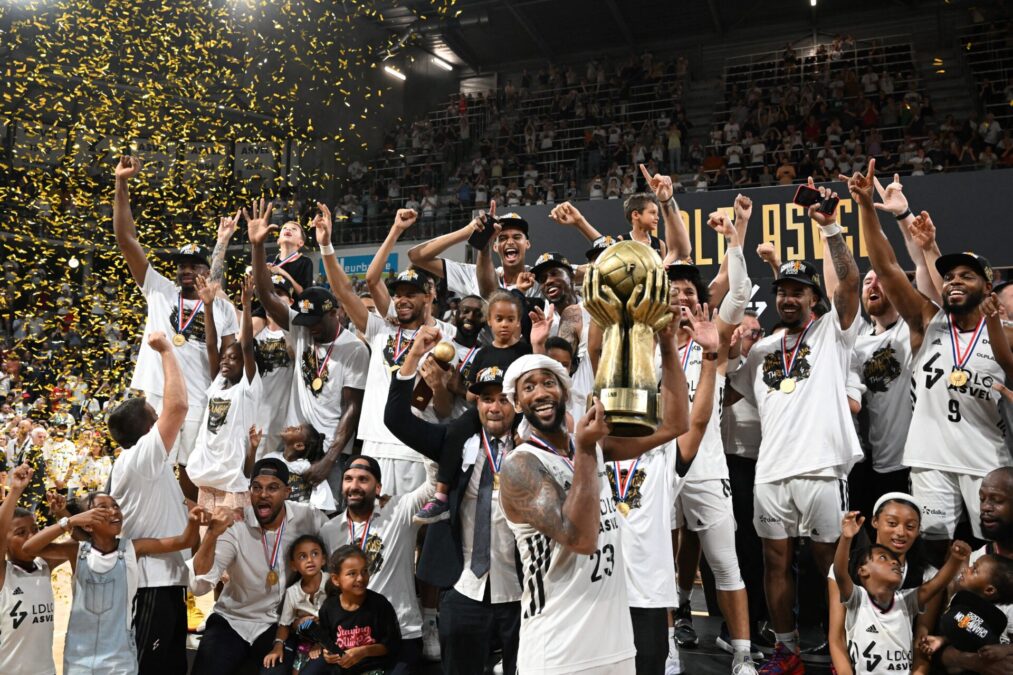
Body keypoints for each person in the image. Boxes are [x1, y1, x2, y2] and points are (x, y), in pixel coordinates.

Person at [498, 274, 691, 675]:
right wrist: (586, 449)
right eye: (528, 387)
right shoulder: (520, 466)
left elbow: (675, 423)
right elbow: (581, 538)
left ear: (565, 391)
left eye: (548, 382)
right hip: (557, 649)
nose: (540, 392)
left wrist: (669, 343)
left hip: (615, 643)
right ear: (518, 403)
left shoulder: (592, 446)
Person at [725, 168, 864, 672]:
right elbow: (726, 390)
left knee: (830, 565)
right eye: (781, 290)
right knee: (775, 564)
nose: (787, 297)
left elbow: (848, 282)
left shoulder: (833, 332)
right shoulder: (761, 349)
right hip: (770, 471)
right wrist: (724, 350)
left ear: (813, 299)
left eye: (798, 290)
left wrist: (830, 228)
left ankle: (840, 643)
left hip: (823, 467)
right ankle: (786, 648)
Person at [857, 161, 1013, 562]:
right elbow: (888, 270)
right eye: (950, 276)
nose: (955, 281)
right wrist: (866, 208)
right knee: (931, 550)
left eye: (967, 276)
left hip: (988, 459)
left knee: (992, 555)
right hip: (929, 459)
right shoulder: (928, 321)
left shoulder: (1006, 332)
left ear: (987, 285)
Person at [384, 354, 521, 674]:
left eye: (504, 399)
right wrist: (414, 354)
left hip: (521, 592)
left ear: (517, 403)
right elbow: (396, 419)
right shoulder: (455, 443)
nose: (495, 407)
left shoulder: (536, 446)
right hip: (465, 587)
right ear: (477, 404)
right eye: (487, 399)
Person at [113, 156, 238, 498]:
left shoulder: (223, 309)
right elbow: (126, 240)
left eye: (193, 265)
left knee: (192, 473)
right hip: (156, 394)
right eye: (181, 265)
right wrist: (121, 183)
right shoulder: (158, 289)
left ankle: (189, 533)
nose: (185, 271)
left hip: (200, 398)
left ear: (207, 270)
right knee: (148, 463)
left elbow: (230, 359)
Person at [667, 206, 756, 675]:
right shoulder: (646, 337)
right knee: (659, 562)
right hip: (657, 462)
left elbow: (739, 290)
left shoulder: (714, 338)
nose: (682, 294)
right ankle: (665, 652)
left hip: (706, 465)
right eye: (673, 289)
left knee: (725, 564)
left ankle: (742, 654)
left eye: (689, 289)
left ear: (700, 298)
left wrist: (733, 241)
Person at [311, 203, 453, 495]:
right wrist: (326, 246)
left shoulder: (446, 335)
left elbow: (445, 407)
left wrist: (439, 387)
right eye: (398, 295)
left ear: (429, 296)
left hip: (417, 448)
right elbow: (344, 291)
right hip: (374, 444)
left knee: (413, 533)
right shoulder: (381, 329)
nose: (401, 300)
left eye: (410, 295)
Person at [319, 341, 439, 675]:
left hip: (399, 631)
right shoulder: (331, 530)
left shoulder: (399, 512)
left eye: (363, 480)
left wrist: (421, 423)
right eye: (349, 479)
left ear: (378, 487)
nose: (354, 486)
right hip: (350, 635)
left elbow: (433, 485)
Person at [249, 199, 368, 499]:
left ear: (335, 314)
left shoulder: (354, 349)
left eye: (317, 321)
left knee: (330, 524)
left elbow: (351, 409)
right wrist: (257, 248)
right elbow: (266, 296)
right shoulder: (301, 328)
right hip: (293, 446)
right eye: (306, 321)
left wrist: (329, 459)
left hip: (331, 451)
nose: (310, 328)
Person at [22, 492, 203, 675]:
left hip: (119, 659)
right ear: (87, 522)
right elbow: (29, 548)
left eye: (115, 506)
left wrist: (194, 522)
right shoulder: (76, 551)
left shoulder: (133, 548)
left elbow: (184, 541)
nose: (113, 511)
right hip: (78, 658)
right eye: (103, 508)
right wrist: (68, 521)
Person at [188, 458, 329, 675]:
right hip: (233, 620)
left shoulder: (307, 517)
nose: (263, 494)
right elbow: (199, 586)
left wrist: (376, 507)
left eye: (272, 488)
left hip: (277, 624)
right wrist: (212, 534)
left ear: (287, 492)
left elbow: (338, 533)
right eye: (257, 488)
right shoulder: (236, 524)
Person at [107, 331, 192, 671]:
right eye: (155, 417)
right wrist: (167, 351)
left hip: (166, 582)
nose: (162, 420)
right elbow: (180, 405)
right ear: (146, 430)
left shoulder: (145, 466)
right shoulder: (139, 458)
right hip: (149, 585)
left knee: (170, 668)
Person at [832, 510, 970, 675]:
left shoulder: (906, 600)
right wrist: (846, 538)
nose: (893, 562)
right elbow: (840, 572)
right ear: (863, 571)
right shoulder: (857, 599)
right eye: (883, 558)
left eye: (895, 561)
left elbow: (936, 584)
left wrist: (956, 559)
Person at [186, 275, 261, 517]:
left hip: (231, 476)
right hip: (207, 473)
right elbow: (211, 345)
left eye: (233, 358)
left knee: (230, 540)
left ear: (246, 364)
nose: (226, 361)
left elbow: (247, 345)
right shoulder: (218, 382)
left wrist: (247, 306)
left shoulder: (249, 387)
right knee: (206, 537)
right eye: (225, 357)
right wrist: (207, 306)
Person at [0, 464, 76, 675]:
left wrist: (64, 513)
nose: (31, 537)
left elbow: (78, 545)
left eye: (35, 530)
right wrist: (15, 490)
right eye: (21, 532)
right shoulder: (4, 575)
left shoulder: (44, 566)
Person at [937, 466, 1013, 673]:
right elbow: (943, 646)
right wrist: (976, 662)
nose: (985, 507)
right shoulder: (971, 565)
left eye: (996, 500)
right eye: (982, 499)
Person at [317, 545, 402, 673]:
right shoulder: (328, 608)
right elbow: (327, 643)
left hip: (375, 669)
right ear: (335, 579)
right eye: (352, 573)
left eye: (364, 571)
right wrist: (328, 655)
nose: (361, 578)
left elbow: (391, 645)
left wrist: (364, 651)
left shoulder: (380, 604)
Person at [263, 535, 330, 674]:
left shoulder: (332, 583)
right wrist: (278, 646)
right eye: (302, 557)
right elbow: (284, 625)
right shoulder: (292, 592)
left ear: (323, 559)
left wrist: (321, 643)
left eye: (315, 554)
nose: (310, 560)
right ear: (293, 565)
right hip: (305, 642)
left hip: (331, 638)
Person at [249, 425, 334, 511]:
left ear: (299, 445)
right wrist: (253, 448)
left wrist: (310, 516)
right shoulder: (271, 457)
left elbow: (322, 500)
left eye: (297, 429)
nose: (291, 427)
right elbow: (251, 474)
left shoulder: (306, 467)